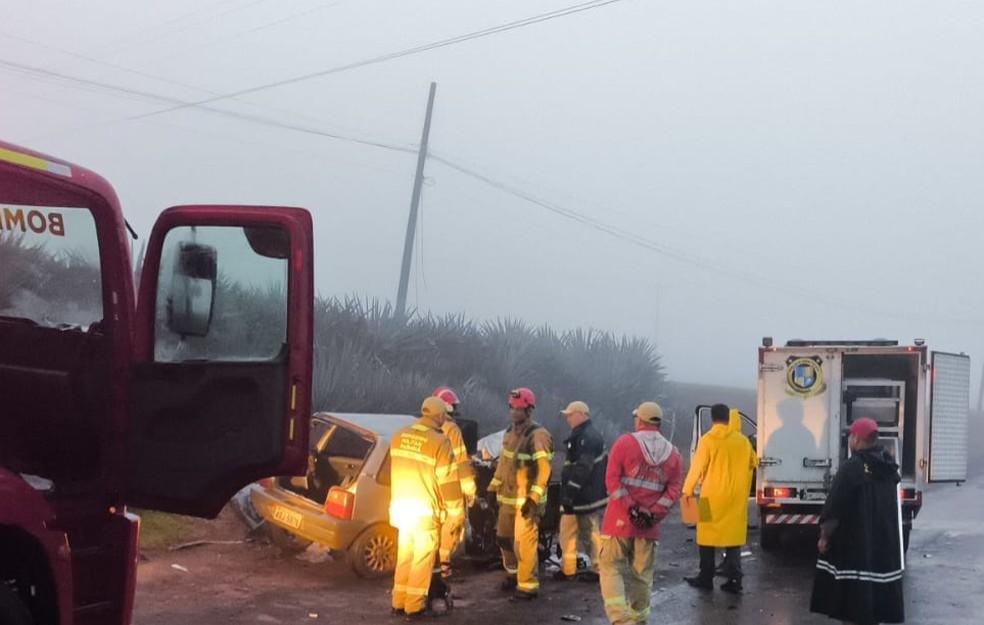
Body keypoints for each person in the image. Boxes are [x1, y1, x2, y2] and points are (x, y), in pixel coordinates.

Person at [810, 417, 905, 625]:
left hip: (855, 548)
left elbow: (834, 506)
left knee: (853, 606)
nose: (850, 440)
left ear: (858, 439)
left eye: (851, 436)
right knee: (873, 605)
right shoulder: (888, 467)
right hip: (882, 547)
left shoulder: (851, 468)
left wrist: (825, 537)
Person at [599, 401, 683, 625]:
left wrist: (631, 508)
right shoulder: (673, 454)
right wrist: (652, 513)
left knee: (611, 569)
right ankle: (638, 620)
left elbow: (612, 481)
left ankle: (620, 620)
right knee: (642, 575)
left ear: (640, 420)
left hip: (618, 523)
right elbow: (673, 490)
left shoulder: (625, 443)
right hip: (649, 528)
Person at [389, 396, 464, 621]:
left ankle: (398, 603)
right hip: (424, 512)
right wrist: (457, 514)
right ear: (440, 416)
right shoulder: (439, 442)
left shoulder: (399, 436)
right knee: (422, 561)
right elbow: (449, 483)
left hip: (401, 510)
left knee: (405, 558)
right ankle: (414, 607)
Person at [683, 403, 758, 594]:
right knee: (733, 539)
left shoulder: (708, 440)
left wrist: (687, 491)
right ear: (728, 418)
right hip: (735, 498)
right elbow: (754, 462)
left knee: (706, 539)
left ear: (713, 418)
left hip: (711, 497)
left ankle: (706, 577)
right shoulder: (743, 442)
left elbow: (697, 468)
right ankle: (734, 580)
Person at [487, 387, 553, 600]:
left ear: (529, 410)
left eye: (519, 409)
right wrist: (492, 487)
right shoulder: (508, 433)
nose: (514, 412)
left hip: (527, 503)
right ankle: (513, 575)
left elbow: (544, 470)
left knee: (523, 545)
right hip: (507, 499)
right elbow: (503, 464)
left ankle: (527, 586)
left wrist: (532, 500)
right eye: (512, 408)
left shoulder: (538, 435)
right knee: (504, 540)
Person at [556, 400, 608, 582]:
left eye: (570, 415)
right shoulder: (584, 435)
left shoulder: (588, 437)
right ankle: (570, 569)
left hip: (584, 496)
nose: (568, 419)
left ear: (581, 414)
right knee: (571, 532)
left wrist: (570, 492)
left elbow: (583, 468)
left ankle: (599, 570)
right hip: (582, 496)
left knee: (589, 534)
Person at [432, 386, 478, 577]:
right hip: (449, 486)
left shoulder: (421, 428)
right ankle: (445, 568)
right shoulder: (452, 429)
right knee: (452, 523)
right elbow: (461, 461)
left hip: (427, 486)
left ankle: (430, 566)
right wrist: (470, 489)